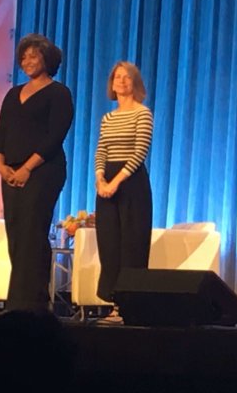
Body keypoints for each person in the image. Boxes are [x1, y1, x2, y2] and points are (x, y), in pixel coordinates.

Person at [0, 34, 74, 311]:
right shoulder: (13, 94)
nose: (27, 61)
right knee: (16, 233)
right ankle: (28, 299)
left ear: (47, 59)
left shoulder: (59, 93)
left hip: (43, 172)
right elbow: (0, 134)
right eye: (24, 57)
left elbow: (55, 136)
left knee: (31, 233)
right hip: (10, 172)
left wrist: (27, 168)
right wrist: (1, 166)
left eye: (34, 56)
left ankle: (25, 304)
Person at [94, 61, 154, 324]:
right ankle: (114, 304)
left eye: (127, 77)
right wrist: (100, 179)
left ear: (135, 83)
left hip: (131, 184)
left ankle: (130, 307)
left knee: (132, 244)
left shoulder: (143, 113)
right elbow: (101, 150)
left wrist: (116, 182)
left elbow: (140, 152)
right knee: (109, 246)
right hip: (107, 183)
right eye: (117, 77)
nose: (121, 81)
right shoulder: (108, 118)